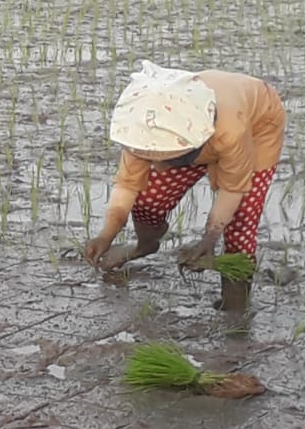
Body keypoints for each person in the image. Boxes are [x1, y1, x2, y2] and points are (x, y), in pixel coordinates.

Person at [84, 61, 286, 311]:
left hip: (256, 125)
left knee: (241, 220)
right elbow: (127, 187)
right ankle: (144, 245)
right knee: (148, 198)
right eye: (151, 161)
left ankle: (235, 303)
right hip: (181, 132)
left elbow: (233, 189)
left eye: (163, 162)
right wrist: (106, 235)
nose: (155, 169)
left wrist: (210, 238)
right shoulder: (144, 131)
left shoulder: (230, 130)